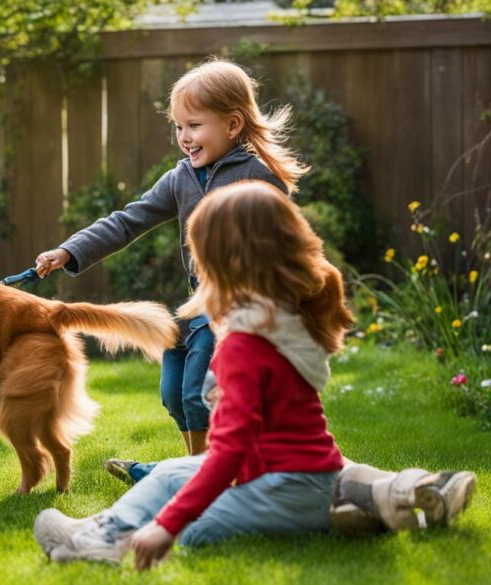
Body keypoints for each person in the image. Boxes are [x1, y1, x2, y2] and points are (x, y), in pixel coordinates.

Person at [33, 181, 476, 569]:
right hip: (283, 473)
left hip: (289, 485)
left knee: (194, 532)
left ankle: (346, 511)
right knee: (168, 473)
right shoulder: (281, 318)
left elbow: (228, 451)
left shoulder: (248, 346)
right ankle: (99, 533)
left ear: (225, 264)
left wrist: (166, 526)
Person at [34, 59, 307, 461]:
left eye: (194, 125)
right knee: (174, 393)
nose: (184, 137)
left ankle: (206, 473)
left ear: (232, 125)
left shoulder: (256, 177)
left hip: (239, 310)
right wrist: (70, 250)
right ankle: (199, 467)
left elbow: (286, 246)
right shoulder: (181, 177)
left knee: (200, 393)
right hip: (199, 306)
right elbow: (129, 220)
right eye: (178, 126)